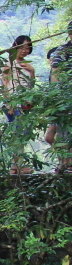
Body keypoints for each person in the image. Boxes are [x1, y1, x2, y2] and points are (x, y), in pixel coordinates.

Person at [0, 35, 36, 174]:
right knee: (18, 132)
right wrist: (9, 103)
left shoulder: (27, 64)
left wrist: (32, 72)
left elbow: (30, 86)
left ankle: (17, 165)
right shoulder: (9, 63)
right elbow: (4, 84)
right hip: (13, 103)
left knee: (22, 133)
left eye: (27, 48)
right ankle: (16, 166)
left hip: (25, 103)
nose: (25, 50)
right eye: (22, 47)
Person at [46, 24, 72, 173]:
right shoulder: (63, 51)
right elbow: (55, 74)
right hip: (63, 99)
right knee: (60, 133)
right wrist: (57, 96)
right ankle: (65, 163)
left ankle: (67, 163)